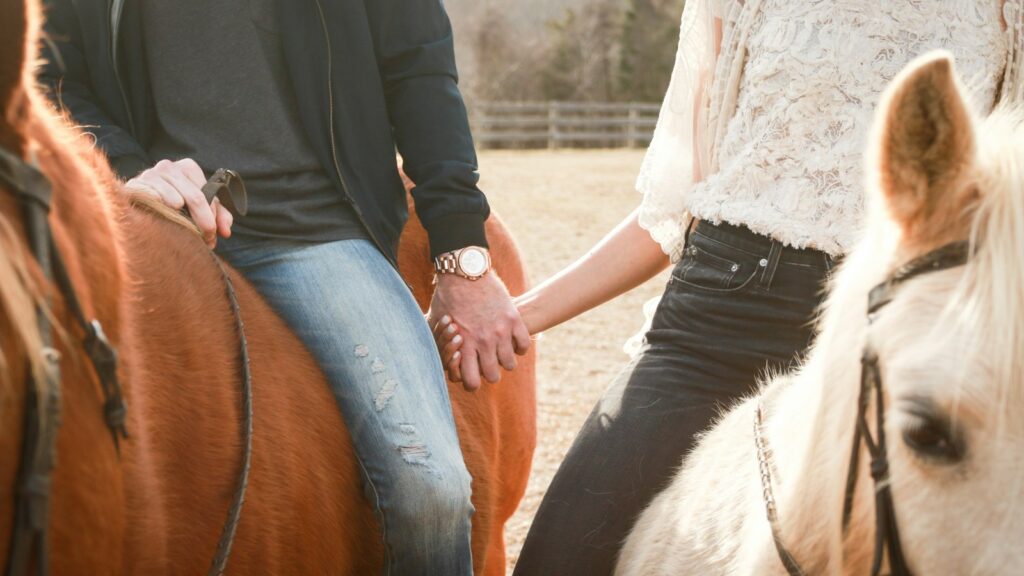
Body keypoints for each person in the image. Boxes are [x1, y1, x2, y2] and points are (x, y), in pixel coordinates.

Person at [438, 1, 1024, 573]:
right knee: (562, 552)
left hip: (904, 337)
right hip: (713, 324)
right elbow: (669, 210)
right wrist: (518, 313)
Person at [39, 0, 531, 573]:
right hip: (150, 222)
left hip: (312, 233)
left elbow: (418, 67)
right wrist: (127, 166)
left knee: (430, 491)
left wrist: (461, 254)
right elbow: (48, 66)